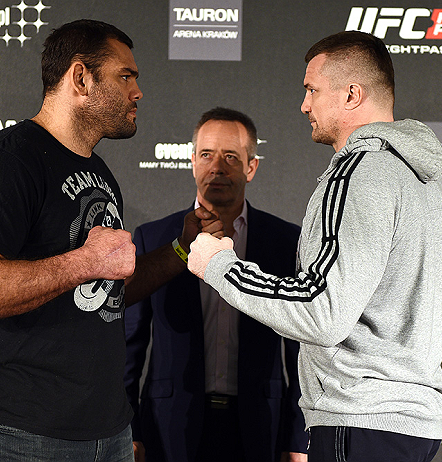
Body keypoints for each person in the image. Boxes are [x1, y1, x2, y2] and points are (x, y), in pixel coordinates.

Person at [0, 19, 221, 462]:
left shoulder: (99, 172)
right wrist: (85, 262)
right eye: (125, 76)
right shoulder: (5, 161)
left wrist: (179, 251)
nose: (137, 91)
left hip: (106, 433)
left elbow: (105, 290)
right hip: (22, 435)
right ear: (81, 78)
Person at [188, 31, 442, 462]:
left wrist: (219, 264)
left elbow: (321, 312)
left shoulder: (359, 172)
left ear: (351, 94)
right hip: (410, 423)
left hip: (361, 418)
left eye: (312, 90)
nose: (304, 105)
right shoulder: (428, 180)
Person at [124, 107, 308, 462]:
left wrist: (297, 438)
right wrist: (129, 429)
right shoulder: (154, 237)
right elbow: (130, 346)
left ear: (251, 167)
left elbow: (302, 351)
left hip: (260, 427)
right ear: (192, 161)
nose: (217, 167)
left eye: (230, 157)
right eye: (206, 154)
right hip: (169, 426)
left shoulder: (284, 241)